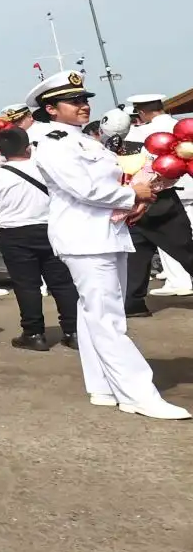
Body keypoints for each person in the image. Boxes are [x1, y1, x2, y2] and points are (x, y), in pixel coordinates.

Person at [28, 71, 189, 419]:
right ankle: (137, 393)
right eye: (74, 101)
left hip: (105, 231)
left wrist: (143, 184)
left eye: (85, 99)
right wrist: (133, 194)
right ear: (51, 109)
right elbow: (83, 189)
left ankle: (102, 385)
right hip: (84, 236)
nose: (84, 105)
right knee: (107, 317)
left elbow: (110, 177)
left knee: (93, 313)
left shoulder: (83, 140)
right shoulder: (53, 142)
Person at [0, 126, 78, 351]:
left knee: (26, 286)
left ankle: (34, 334)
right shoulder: (45, 168)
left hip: (14, 233)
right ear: (28, 147)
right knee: (62, 283)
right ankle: (74, 331)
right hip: (50, 230)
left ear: (0, 151)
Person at [119, 93, 193, 311]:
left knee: (138, 250)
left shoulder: (139, 132)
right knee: (184, 247)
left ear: (140, 112)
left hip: (149, 194)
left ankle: (133, 302)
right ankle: (132, 301)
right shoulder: (184, 126)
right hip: (174, 194)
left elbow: (128, 164)